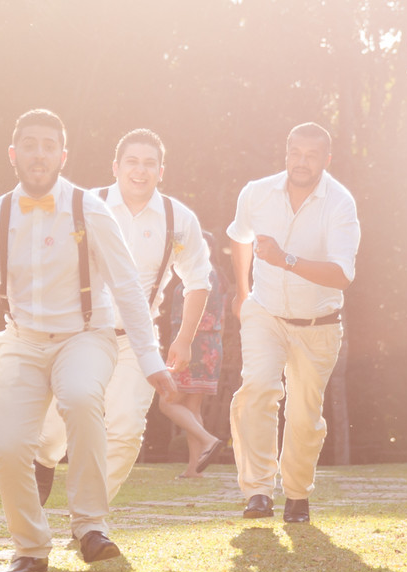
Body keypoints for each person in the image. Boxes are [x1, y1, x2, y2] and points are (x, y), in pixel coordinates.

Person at [0, 109, 175, 572]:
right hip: (21, 340)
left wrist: (150, 359)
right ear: (13, 154)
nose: (39, 154)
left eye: (49, 146)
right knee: (9, 448)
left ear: (63, 156)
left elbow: (127, 287)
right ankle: (29, 546)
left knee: (82, 399)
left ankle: (90, 526)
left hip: (85, 336)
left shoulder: (90, 209)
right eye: (30, 145)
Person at [33, 128, 215, 505]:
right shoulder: (84, 206)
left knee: (126, 430)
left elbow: (199, 280)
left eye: (149, 164)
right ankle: (44, 461)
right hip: (77, 335)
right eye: (132, 162)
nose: (140, 170)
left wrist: (184, 339)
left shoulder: (178, 219)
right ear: (115, 167)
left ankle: (89, 514)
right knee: (53, 431)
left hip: (135, 341)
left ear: (161, 171)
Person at [227, 122, 360, 523]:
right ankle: (257, 491)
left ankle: (297, 494)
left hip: (319, 323)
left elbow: (342, 275)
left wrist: (285, 259)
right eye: (295, 153)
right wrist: (242, 292)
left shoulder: (340, 203)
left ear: (326, 159)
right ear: (286, 153)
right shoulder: (257, 192)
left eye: (311, 155)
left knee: (304, 417)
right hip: (264, 312)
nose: (302, 162)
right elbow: (240, 236)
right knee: (257, 389)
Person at [159, 230, 228, 478]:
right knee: (192, 407)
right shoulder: (217, 275)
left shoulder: (202, 273)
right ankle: (194, 468)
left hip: (193, 345)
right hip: (210, 346)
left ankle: (209, 440)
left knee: (167, 402)